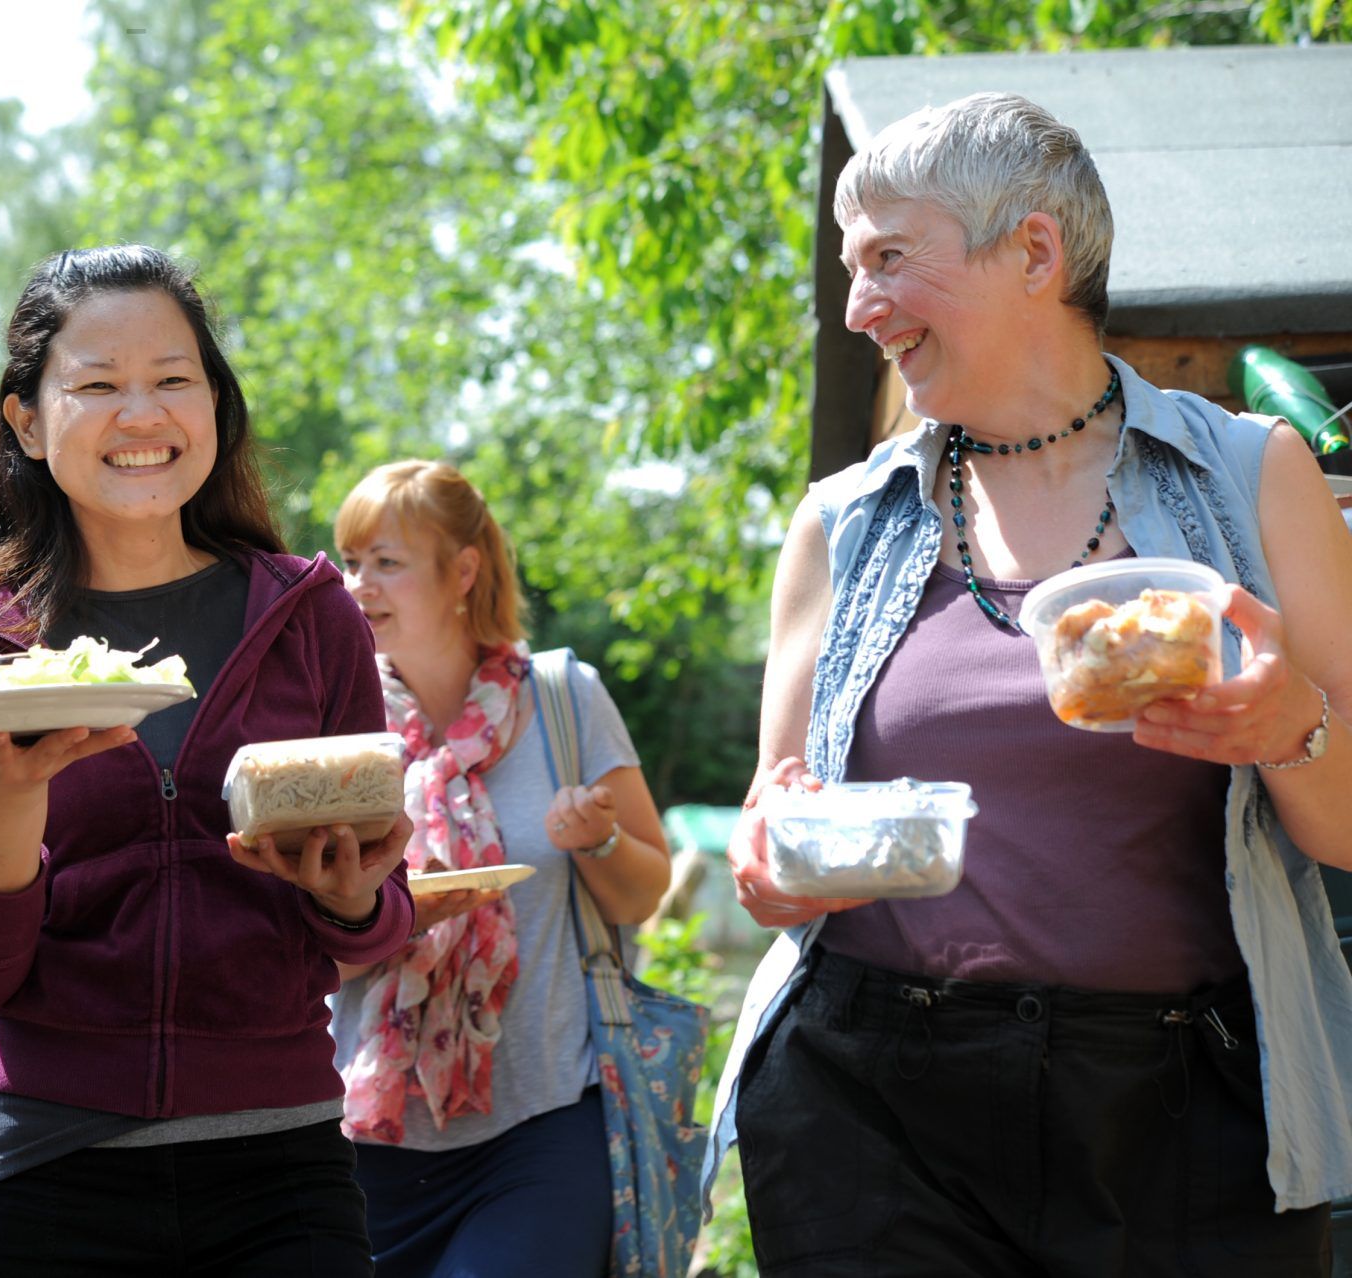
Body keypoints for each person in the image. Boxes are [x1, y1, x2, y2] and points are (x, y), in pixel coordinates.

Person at [713, 92, 1352, 1275]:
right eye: (854, 269)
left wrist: (1291, 725)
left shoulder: (1258, 473)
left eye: (889, 260)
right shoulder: (839, 525)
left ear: (1036, 254)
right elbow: (779, 808)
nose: (858, 308)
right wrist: (776, 858)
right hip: (868, 1109)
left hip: (1180, 1109)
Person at [0, 245, 415, 1277]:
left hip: (281, 1168)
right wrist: (14, 799)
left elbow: (370, 927)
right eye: (96, 386)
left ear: (215, 403)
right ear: (26, 421)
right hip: (44, 1168)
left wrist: (352, 900)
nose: (142, 414)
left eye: (174, 380)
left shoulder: (310, 615)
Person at [326, 459, 673, 1278]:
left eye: (387, 562)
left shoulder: (564, 698)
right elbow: (301, 953)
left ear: (464, 571)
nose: (357, 585)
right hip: (365, 1140)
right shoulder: (332, 726)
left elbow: (644, 892)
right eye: (349, 561)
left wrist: (596, 843)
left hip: (545, 1126)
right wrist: (370, 911)